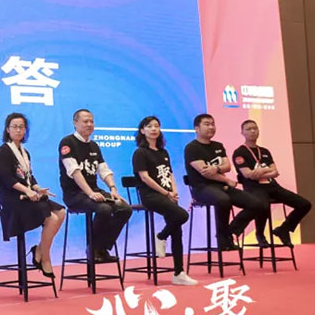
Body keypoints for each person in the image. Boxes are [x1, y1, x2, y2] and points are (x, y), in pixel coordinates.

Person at [0, 112, 65, 278]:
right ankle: (45, 258)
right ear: (7, 130)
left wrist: (37, 188)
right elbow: (6, 178)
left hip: (28, 197)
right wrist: (27, 191)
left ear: (25, 130)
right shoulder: (3, 152)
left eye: (21, 127)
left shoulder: (24, 152)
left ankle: (39, 250)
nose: (18, 130)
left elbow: (28, 176)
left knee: (60, 212)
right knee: (51, 218)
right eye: (14, 127)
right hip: (13, 199)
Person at [58, 109, 132, 263]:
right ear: (75, 123)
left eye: (91, 121)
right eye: (85, 121)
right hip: (75, 194)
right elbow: (74, 172)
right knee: (104, 209)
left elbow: (103, 170)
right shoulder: (67, 143)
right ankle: (93, 249)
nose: (89, 124)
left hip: (94, 190)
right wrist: (90, 193)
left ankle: (101, 247)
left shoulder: (94, 145)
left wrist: (113, 189)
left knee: (124, 208)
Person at [131, 116, 198, 286]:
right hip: (150, 195)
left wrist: (174, 191)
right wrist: (165, 193)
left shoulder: (163, 152)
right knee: (182, 215)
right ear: (142, 131)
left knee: (177, 231)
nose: (154, 129)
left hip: (167, 195)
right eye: (149, 126)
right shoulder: (140, 152)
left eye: (156, 126)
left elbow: (169, 173)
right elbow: (145, 177)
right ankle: (161, 236)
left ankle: (179, 273)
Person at [183, 114, 262, 251]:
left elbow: (227, 166)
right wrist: (226, 179)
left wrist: (217, 169)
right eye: (207, 124)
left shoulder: (218, 146)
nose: (211, 127)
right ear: (196, 128)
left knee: (256, 204)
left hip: (221, 187)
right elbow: (206, 173)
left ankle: (228, 232)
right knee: (223, 200)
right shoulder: (192, 148)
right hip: (202, 188)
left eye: (212, 124)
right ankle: (223, 238)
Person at [232, 120, 311, 248]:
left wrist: (260, 172)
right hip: (254, 187)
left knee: (304, 204)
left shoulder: (264, 151)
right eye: (249, 129)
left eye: (255, 128)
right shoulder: (240, 152)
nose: (253, 131)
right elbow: (248, 174)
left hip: (272, 186)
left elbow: (275, 172)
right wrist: (267, 170)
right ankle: (259, 234)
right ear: (242, 132)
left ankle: (284, 229)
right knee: (262, 205)